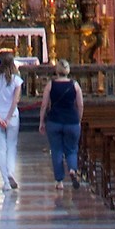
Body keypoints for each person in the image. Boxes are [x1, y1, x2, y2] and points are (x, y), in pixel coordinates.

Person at [38, 58, 84, 195]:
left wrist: (41, 121)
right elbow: (80, 104)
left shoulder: (50, 85)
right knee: (71, 150)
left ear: (56, 71)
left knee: (56, 150)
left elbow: (44, 105)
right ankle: (72, 169)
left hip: (54, 121)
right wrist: (78, 119)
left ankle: (59, 181)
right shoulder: (75, 85)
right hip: (72, 121)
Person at [0, 48, 22, 193]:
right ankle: (10, 173)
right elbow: (16, 100)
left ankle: (6, 182)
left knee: (1, 149)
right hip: (12, 117)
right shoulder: (16, 80)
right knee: (11, 146)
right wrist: (7, 118)